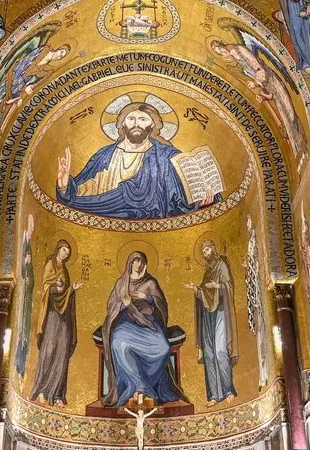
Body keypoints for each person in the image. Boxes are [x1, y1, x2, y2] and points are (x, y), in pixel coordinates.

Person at [58, 102, 209, 221]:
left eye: (143, 119)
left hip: (155, 226)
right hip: (104, 217)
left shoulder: (166, 157)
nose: (136, 124)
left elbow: (178, 198)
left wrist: (200, 202)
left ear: (152, 125)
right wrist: (65, 187)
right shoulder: (104, 155)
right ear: (122, 124)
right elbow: (85, 190)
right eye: (131, 119)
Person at [101, 251, 185, 406]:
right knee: (118, 343)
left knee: (163, 348)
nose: (138, 264)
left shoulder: (150, 283)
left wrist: (147, 297)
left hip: (148, 322)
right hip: (126, 323)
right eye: (136, 261)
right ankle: (138, 387)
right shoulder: (122, 283)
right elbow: (111, 306)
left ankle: (147, 382)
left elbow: (162, 305)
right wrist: (124, 305)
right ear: (130, 262)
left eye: (141, 261)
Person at [30, 237, 78, 404]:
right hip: (51, 315)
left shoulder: (65, 271)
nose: (65, 254)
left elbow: (65, 291)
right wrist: (55, 288)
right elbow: (45, 287)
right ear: (59, 248)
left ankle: (57, 393)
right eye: (64, 250)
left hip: (63, 318)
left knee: (62, 352)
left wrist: (72, 289)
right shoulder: (50, 264)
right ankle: (42, 389)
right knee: (49, 350)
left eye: (68, 253)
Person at [190, 238, 236, 403]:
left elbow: (229, 286)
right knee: (209, 354)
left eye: (207, 250)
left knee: (220, 350)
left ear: (213, 249)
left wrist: (217, 286)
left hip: (221, 311)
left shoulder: (222, 264)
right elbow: (204, 295)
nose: (205, 254)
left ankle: (228, 389)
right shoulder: (207, 272)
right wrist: (197, 290)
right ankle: (214, 395)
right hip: (207, 315)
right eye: (203, 252)